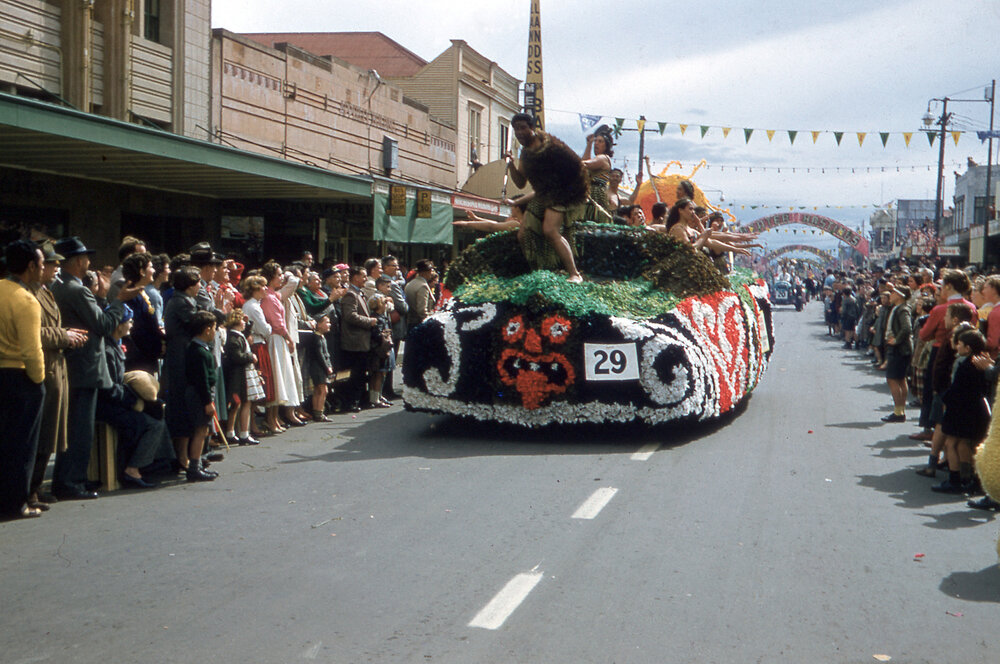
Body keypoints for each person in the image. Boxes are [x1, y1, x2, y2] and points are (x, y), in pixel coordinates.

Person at [49, 236, 132, 501]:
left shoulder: (60, 286)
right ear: (77, 262)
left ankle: (69, 478)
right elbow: (104, 325)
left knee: (73, 428)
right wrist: (118, 301)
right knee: (79, 430)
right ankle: (71, 481)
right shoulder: (76, 289)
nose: (89, 262)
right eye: (85, 258)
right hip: (84, 367)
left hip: (73, 365)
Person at [27, 243, 86, 510]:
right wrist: (64, 335)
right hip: (43, 366)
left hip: (55, 366)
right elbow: (34, 333)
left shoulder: (46, 292)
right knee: (40, 436)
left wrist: (65, 334)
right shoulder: (27, 294)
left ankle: (35, 489)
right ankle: (29, 491)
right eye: (51, 264)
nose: (55, 268)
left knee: (50, 435)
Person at [503, 112, 587, 282]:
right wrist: (511, 164)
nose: (519, 132)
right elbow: (520, 182)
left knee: (550, 230)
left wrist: (565, 189)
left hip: (562, 193)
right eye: (516, 129)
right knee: (523, 234)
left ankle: (574, 274)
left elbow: (575, 166)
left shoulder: (552, 147)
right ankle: (537, 271)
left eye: (523, 128)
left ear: (532, 128)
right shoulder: (525, 154)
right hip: (543, 195)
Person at [96, 306, 174, 489]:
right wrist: (135, 401)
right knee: (152, 424)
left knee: (158, 414)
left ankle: (160, 462)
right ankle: (133, 469)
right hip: (108, 404)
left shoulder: (115, 345)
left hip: (117, 399)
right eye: (128, 321)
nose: (131, 324)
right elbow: (109, 387)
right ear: (118, 325)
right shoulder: (107, 350)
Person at [0, 240, 46, 519]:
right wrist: (39, 380)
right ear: (30, 266)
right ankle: (17, 503)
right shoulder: (26, 299)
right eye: (41, 264)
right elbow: (32, 349)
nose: (43, 269)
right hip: (20, 376)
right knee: (22, 444)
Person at [934, 328, 991, 493]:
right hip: (976, 409)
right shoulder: (981, 363)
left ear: (967, 348)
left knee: (951, 443)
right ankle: (970, 477)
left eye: (959, 343)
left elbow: (957, 390)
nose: (957, 346)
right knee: (964, 444)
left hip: (960, 410)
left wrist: (944, 397)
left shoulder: (965, 365)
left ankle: (955, 479)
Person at [163, 266, 201, 463]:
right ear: (189, 285)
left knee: (187, 406)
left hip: (182, 356)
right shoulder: (182, 302)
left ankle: (191, 453)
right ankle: (183, 456)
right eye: (197, 282)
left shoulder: (184, 300)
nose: (200, 286)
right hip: (181, 358)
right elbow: (197, 323)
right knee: (182, 406)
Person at [182, 311, 220, 482]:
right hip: (199, 395)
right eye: (214, 329)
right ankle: (194, 468)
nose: (215, 332)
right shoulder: (198, 352)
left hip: (199, 393)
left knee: (202, 430)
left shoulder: (198, 348)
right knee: (200, 430)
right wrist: (207, 402)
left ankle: (197, 464)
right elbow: (202, 380)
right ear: (206, 330)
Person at [340, 266, 377, 412]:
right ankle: (351, 402)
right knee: (354, 374)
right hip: (353, 342)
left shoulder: (359, 293)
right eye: (363, 276)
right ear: (355, 277)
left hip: (362, 342)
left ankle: (360, 399)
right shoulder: (350, 294)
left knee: (361, 373)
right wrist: (369, 321)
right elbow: (350, 316)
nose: (366, 279)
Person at [222, 310, 260, 445]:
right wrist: (251, 357)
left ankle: (231, 432)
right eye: (242, 321)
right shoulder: (233, 339)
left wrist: (247, 321)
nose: (244, 323)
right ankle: (243, 433)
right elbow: (237, 357)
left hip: (240, 375)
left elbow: (246, 330)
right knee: (242, 403)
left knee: (237, 404)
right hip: (237, 377)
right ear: (236, 322)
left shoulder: (238, 336)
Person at [881, 285, 913, 422]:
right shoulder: (896, 308)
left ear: (900, 295)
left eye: (893, 292)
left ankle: (898, 411)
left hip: (900, 349)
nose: (891, 295)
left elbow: (906, 328)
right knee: (900, 379)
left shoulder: (902, 309)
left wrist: (897, 340)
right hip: (901, 349)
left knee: (893, 379)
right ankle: (900, 410)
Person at [381, 255, 407, 400]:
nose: (397, 268)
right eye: (394, 266)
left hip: (390, 325)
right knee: (390, 358)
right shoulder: (392, 283)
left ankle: (386, 389)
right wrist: (407, 305)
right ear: (385, 267)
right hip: (394, 325)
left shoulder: (394, 281)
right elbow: (402, 307)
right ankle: (387, 389)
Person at [302, 314, 335, 421]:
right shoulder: (316, 338)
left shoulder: (321, 337)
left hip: (318, 367)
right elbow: (320, 354)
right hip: (318, 367)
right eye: (327, 322)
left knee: (318, 389)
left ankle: (317, 412)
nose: (329, 324)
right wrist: (327, 367)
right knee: (323, 390)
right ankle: (319, 412)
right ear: (319, 324)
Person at [581, 125, 615, 223]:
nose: (596, 143)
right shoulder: (597, 158)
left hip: (597, 195)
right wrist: (589, 144)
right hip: (590, 193)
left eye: (600, 141)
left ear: (606, 146)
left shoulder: (603, 158)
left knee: (595, 220)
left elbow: (584, 164)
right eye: (596, 141)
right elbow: (584, 162)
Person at [405, 259, 436, 330]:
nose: (431, 273)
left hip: (410, 323)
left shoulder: (410, 283)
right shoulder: (422, 286)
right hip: (419, 324)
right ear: (425, 272)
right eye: (430, 271)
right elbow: (422, 311)